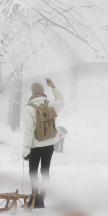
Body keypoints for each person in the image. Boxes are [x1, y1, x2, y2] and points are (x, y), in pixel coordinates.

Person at [22, 79, 65, 208]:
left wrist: (26, 148)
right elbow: (61, 101)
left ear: (32, 92)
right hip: (50, 144)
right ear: (42, 92)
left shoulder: (29, 108)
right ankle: (42, 200)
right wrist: (54, 87)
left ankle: (33, 200)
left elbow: (29, 130)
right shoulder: (50, 104)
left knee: (33, 172)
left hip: (35, 146)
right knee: (45, 170)